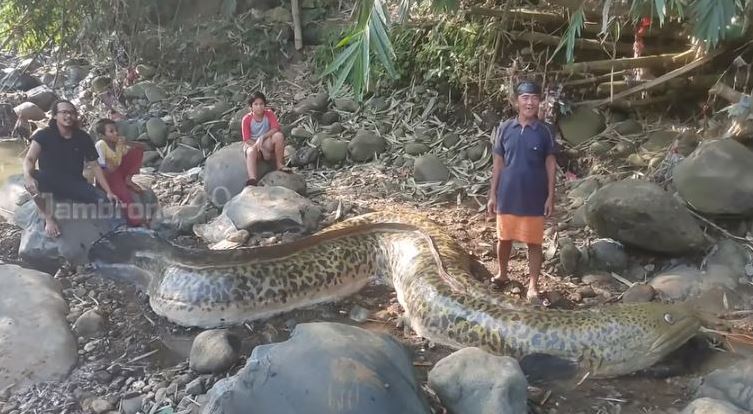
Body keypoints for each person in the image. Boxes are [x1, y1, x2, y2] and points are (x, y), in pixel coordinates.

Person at [487, 80, 558, 303]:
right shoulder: (505, 128)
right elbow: (498, 163)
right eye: (525, 98)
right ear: (516, 101)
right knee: (504, 238)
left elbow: (551, 165)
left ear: (539, 102)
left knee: (534, 242)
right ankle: (502, 273)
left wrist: (550, 196)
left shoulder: (545, 131)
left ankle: (533, 286)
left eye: (534, 98)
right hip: (507, 194)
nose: (530, 102)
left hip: (534, 196)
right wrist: (492, 194)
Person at [23, 99, 119, 238]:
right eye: (64, 112)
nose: (69, 116)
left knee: (103, 200)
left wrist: (108, 191)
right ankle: (48, 219)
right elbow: (29, 159)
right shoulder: (43, 135)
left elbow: (95, 165)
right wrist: (27, 176)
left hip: (75, 183)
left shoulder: (83, 137)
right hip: (49, 181)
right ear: (55, 115)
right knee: (33, 181)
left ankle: (115, 233)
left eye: (72, 113)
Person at [94, 118, 147, 227]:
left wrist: (127, 142)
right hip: (108, 176)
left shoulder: (118, 143)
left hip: (118, 171)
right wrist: (109, 188)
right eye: (111, 131)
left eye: (116, 130)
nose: (116, 133)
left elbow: (142, 147)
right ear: (102, 135)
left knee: (136, 152)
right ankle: (136, 222)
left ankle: (128, 179)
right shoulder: (100, 145)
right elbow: (101, 167)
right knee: (124, 195)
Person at [240, 91, 290, 186]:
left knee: (278, 136)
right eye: (256, 104)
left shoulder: (269, 114)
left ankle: (279, 164)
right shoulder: (246, 119)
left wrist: (262, 137)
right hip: (253, 144)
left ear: (265, 105)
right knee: (250, 152)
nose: (259, 107)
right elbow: (246, 139)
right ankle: (252, 179)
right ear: (251, 107)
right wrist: (261, 149)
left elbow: (276, 128)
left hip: (265, 141)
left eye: (261, 104)